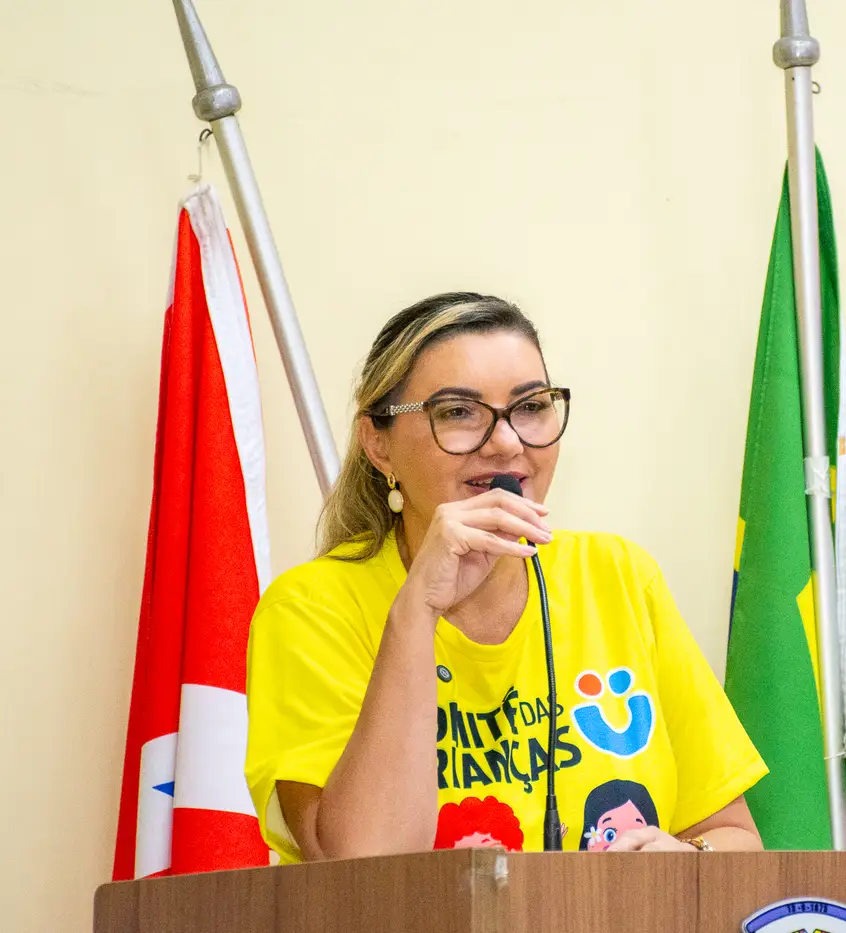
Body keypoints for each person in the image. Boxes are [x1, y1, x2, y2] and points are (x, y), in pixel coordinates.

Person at [244, 292, 768, 862]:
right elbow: (362, 870)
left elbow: (738, 839)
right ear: (379, 444)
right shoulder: (310, 608)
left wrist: (683, 860)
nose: (508, 443)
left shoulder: (618, 576)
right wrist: (417, 609)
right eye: (457, 412)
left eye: (531, 406)